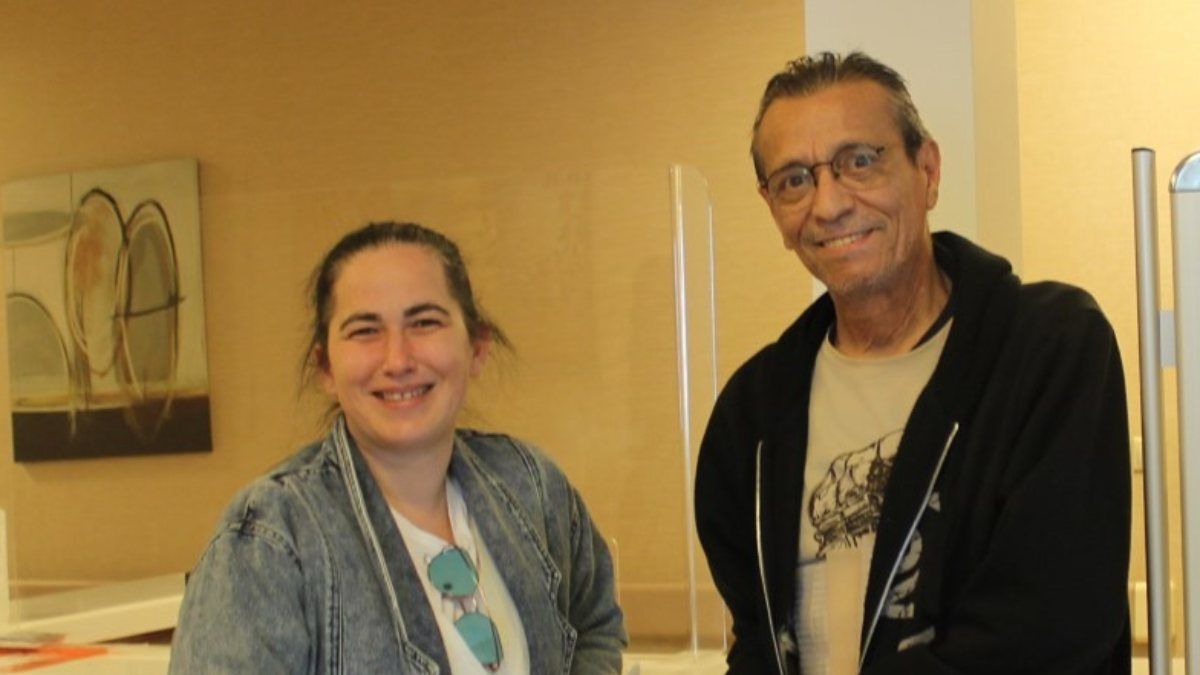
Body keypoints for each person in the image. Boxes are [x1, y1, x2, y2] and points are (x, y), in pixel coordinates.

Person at [695, 52, 1130, 674]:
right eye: (794, 180)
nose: (828, 204)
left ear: (927, 170)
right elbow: (759, 645)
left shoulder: (1049, 350)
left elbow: (1048, 627)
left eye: (859, 162)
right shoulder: (752, 416)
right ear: (772, 209)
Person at [171, 221, 626, 673]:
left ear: (477, 347)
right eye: (365, 330)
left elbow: (595, 625)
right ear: (326, 367)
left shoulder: (531, 485)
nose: (398, 360)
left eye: (424, 323)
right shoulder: (268, 539)